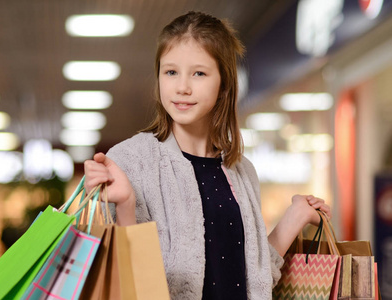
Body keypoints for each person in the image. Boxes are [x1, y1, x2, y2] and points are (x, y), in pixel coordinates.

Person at [84, 11, 331, 300]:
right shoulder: (132, 160)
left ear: (224, 83)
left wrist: (295, 217)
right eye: (171, 72)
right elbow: (129, 282)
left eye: (199, 73)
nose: (182, 87)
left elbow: (256, 279)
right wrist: (126, 204)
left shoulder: (241, 170)